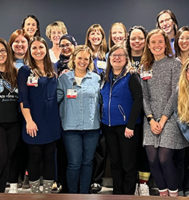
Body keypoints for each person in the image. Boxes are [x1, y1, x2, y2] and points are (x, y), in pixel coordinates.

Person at [140, 28, 188, 197]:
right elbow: (144, 97)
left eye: (160, 41)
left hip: (171, 119)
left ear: (166, 43)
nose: (157, 45)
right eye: (153, 42)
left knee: (164, 158)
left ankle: (174, 195)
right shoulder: (144, 66)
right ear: (148, 45)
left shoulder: (175, 64)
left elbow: (176, 93)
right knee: (152, 160)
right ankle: (163, 194)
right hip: (151, 120)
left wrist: (164, 119)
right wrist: (151, 119)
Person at [17, 36, 61, 193]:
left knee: (50, 157)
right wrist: (29, 121)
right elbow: (23, 98)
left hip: (52, 121)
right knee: (35, 156)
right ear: (29, 50)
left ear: (46, 49)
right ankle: (35, 194)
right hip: (34, 120)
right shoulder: (24, 71)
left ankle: (48, 193)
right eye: (34, 48)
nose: (38, 51)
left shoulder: (53, 69)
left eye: (41, 47)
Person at [57, 45, 101, 194]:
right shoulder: (64, 78)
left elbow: (101, 101)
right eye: (79, 58)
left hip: (92, 128)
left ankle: (84, 194)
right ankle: (72, 194)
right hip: (70, 128)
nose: (82, 61)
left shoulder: (96, 78)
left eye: (86, 59)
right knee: (74, 163)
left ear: (90, 61)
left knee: (87, 163)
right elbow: (55, 100)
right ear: (74, 59)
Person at [101, 44, 143, 195]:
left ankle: (128, 195)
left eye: (120, 55)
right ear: (109, 59)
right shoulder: (105, 77)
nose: (117, 58)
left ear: (126, 59)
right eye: (114, 55)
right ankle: (117, 195)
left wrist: (131, 125)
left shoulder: (131, 75)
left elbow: (139, 100)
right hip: (108, 126)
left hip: (127, 127)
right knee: (115, 164)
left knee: (128, 165)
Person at [126, 25, 150, 196]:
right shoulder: (121, 57)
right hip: (129, 113)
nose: (136, 41)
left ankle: (144, 184)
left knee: (145, 150)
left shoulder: (152, 59)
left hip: (148, 112)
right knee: (130, 150)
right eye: (133, 38)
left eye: (140, 38)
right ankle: (132, 182)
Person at [85, 24, 107, 193]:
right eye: (92, 33)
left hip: (103, 103)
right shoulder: (83, 54)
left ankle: (97, 180)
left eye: (98, 33)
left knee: (101, 146)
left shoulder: (107, 55)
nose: (95, 36)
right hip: (86, 103)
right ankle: (85, 178)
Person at [0, 38, 20, 193]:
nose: (0, 54)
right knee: (2, 157)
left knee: (9, 158)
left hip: (14, 123)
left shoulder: (15, 73)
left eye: (2, 50)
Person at [174, 26, 189, 196]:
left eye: (187, 38)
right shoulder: (173, 61)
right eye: (181, 38)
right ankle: (181, 190)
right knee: (180, 158)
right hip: (178, 116)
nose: (184, 41)